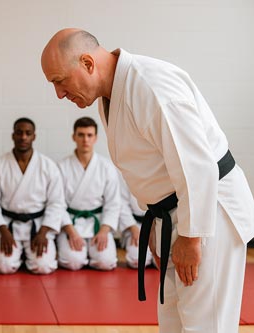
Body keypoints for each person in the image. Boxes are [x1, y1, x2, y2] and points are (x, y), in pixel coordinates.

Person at [41, 28, 254, 332]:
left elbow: (197, 164)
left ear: (88, 63)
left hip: (209, 212)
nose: (59, 93)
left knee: (207, 325)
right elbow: (154, 168)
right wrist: (156, 223)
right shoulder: (114, 93)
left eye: (59, 80)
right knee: (174, 323)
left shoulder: (150, 84)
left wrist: (192, 236)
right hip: (173, 214)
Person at [0, 118, 66, 275]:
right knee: (4, 267)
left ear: (34, 136)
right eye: (19, 133)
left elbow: (56, 203)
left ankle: (26, 254)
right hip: (9, 225)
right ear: (13, 135)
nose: (23, 137)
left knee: (43, 267)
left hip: (38, 225)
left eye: (28, 133)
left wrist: (43, 232)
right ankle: (20, 254)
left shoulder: (48, 166)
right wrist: (3, 231)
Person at [57, 117, 120, 271]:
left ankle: (91, 252)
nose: (85, 139)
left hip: (97, 223)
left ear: (96, 138)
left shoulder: (106, 167)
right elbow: (57, 204)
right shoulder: (62, 167)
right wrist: (71, 232)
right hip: (71, 223)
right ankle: (81, 252)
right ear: (74, 137)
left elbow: (113, 203)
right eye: (81, 135)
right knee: (73, 262)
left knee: (106, 262)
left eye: (89, 135)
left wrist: (104, 231)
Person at [117, 172, 153, 269]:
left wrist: (155, 227)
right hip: (135, 224)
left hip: (158, 222)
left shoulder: (162, 167)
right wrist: (133, 228)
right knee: (136, 260)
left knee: (165, 262)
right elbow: (121, 204)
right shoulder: (125, 170)